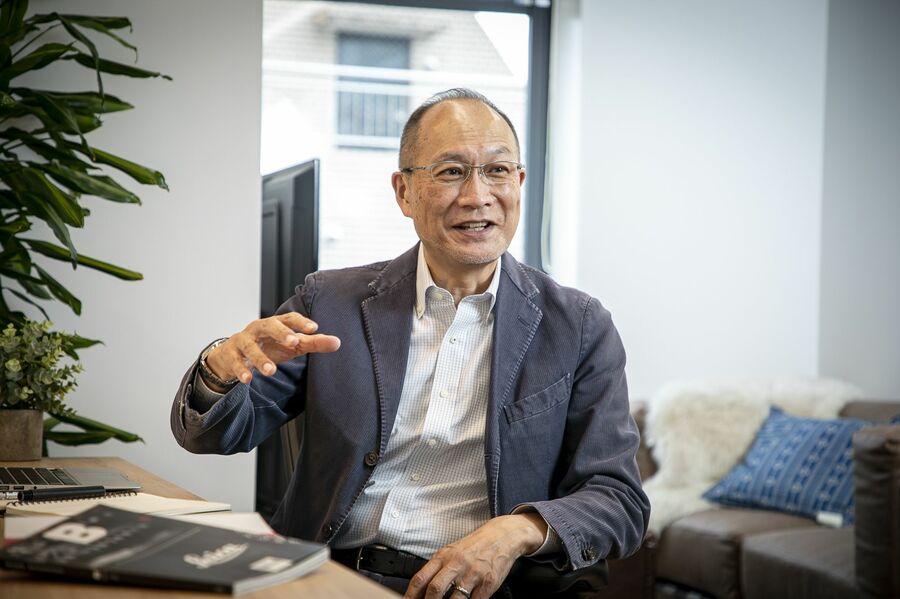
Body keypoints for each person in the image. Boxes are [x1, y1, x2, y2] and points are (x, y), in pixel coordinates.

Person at [171, 88, 649, 599]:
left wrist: (516, 530)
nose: (477, 196)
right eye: (450, 171)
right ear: (404, 192)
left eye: (497, 170)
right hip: (325, 576)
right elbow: (212, 436)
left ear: (519, 182)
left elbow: (618, 500)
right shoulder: (330, 302)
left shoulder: (578, 326)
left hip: (473, 590)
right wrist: (219, 368)